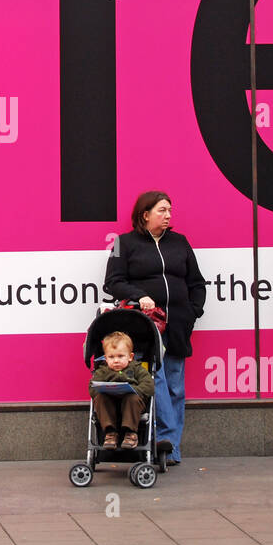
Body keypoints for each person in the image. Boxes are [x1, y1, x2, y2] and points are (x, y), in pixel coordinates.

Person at [104, 191, 206, 463]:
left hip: (179, 324)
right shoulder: (122, 243)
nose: (168, 215)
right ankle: (165, 441)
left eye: (170, 210)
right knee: (157, 380)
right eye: (162, 210)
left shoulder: (180, 242)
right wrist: (139, 295)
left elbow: (197, 282)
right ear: (145, 214)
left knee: (176, 386)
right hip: (147, 327)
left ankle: (171, 447)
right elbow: (112, 282)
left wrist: (193, 312)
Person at [89, 331, 155, 449]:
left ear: (130, 357)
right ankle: (110, 433)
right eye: (111, 357)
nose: (116, 361)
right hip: (110, 403)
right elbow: (92, 387)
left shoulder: (137, 369)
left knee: (132, 398)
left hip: (132, 404)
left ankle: (130, 433)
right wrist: (102, 389)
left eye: (120, 356)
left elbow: (149, 385)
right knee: (100, 397)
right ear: (105, 358)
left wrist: (135, 390)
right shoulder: (103, 371)